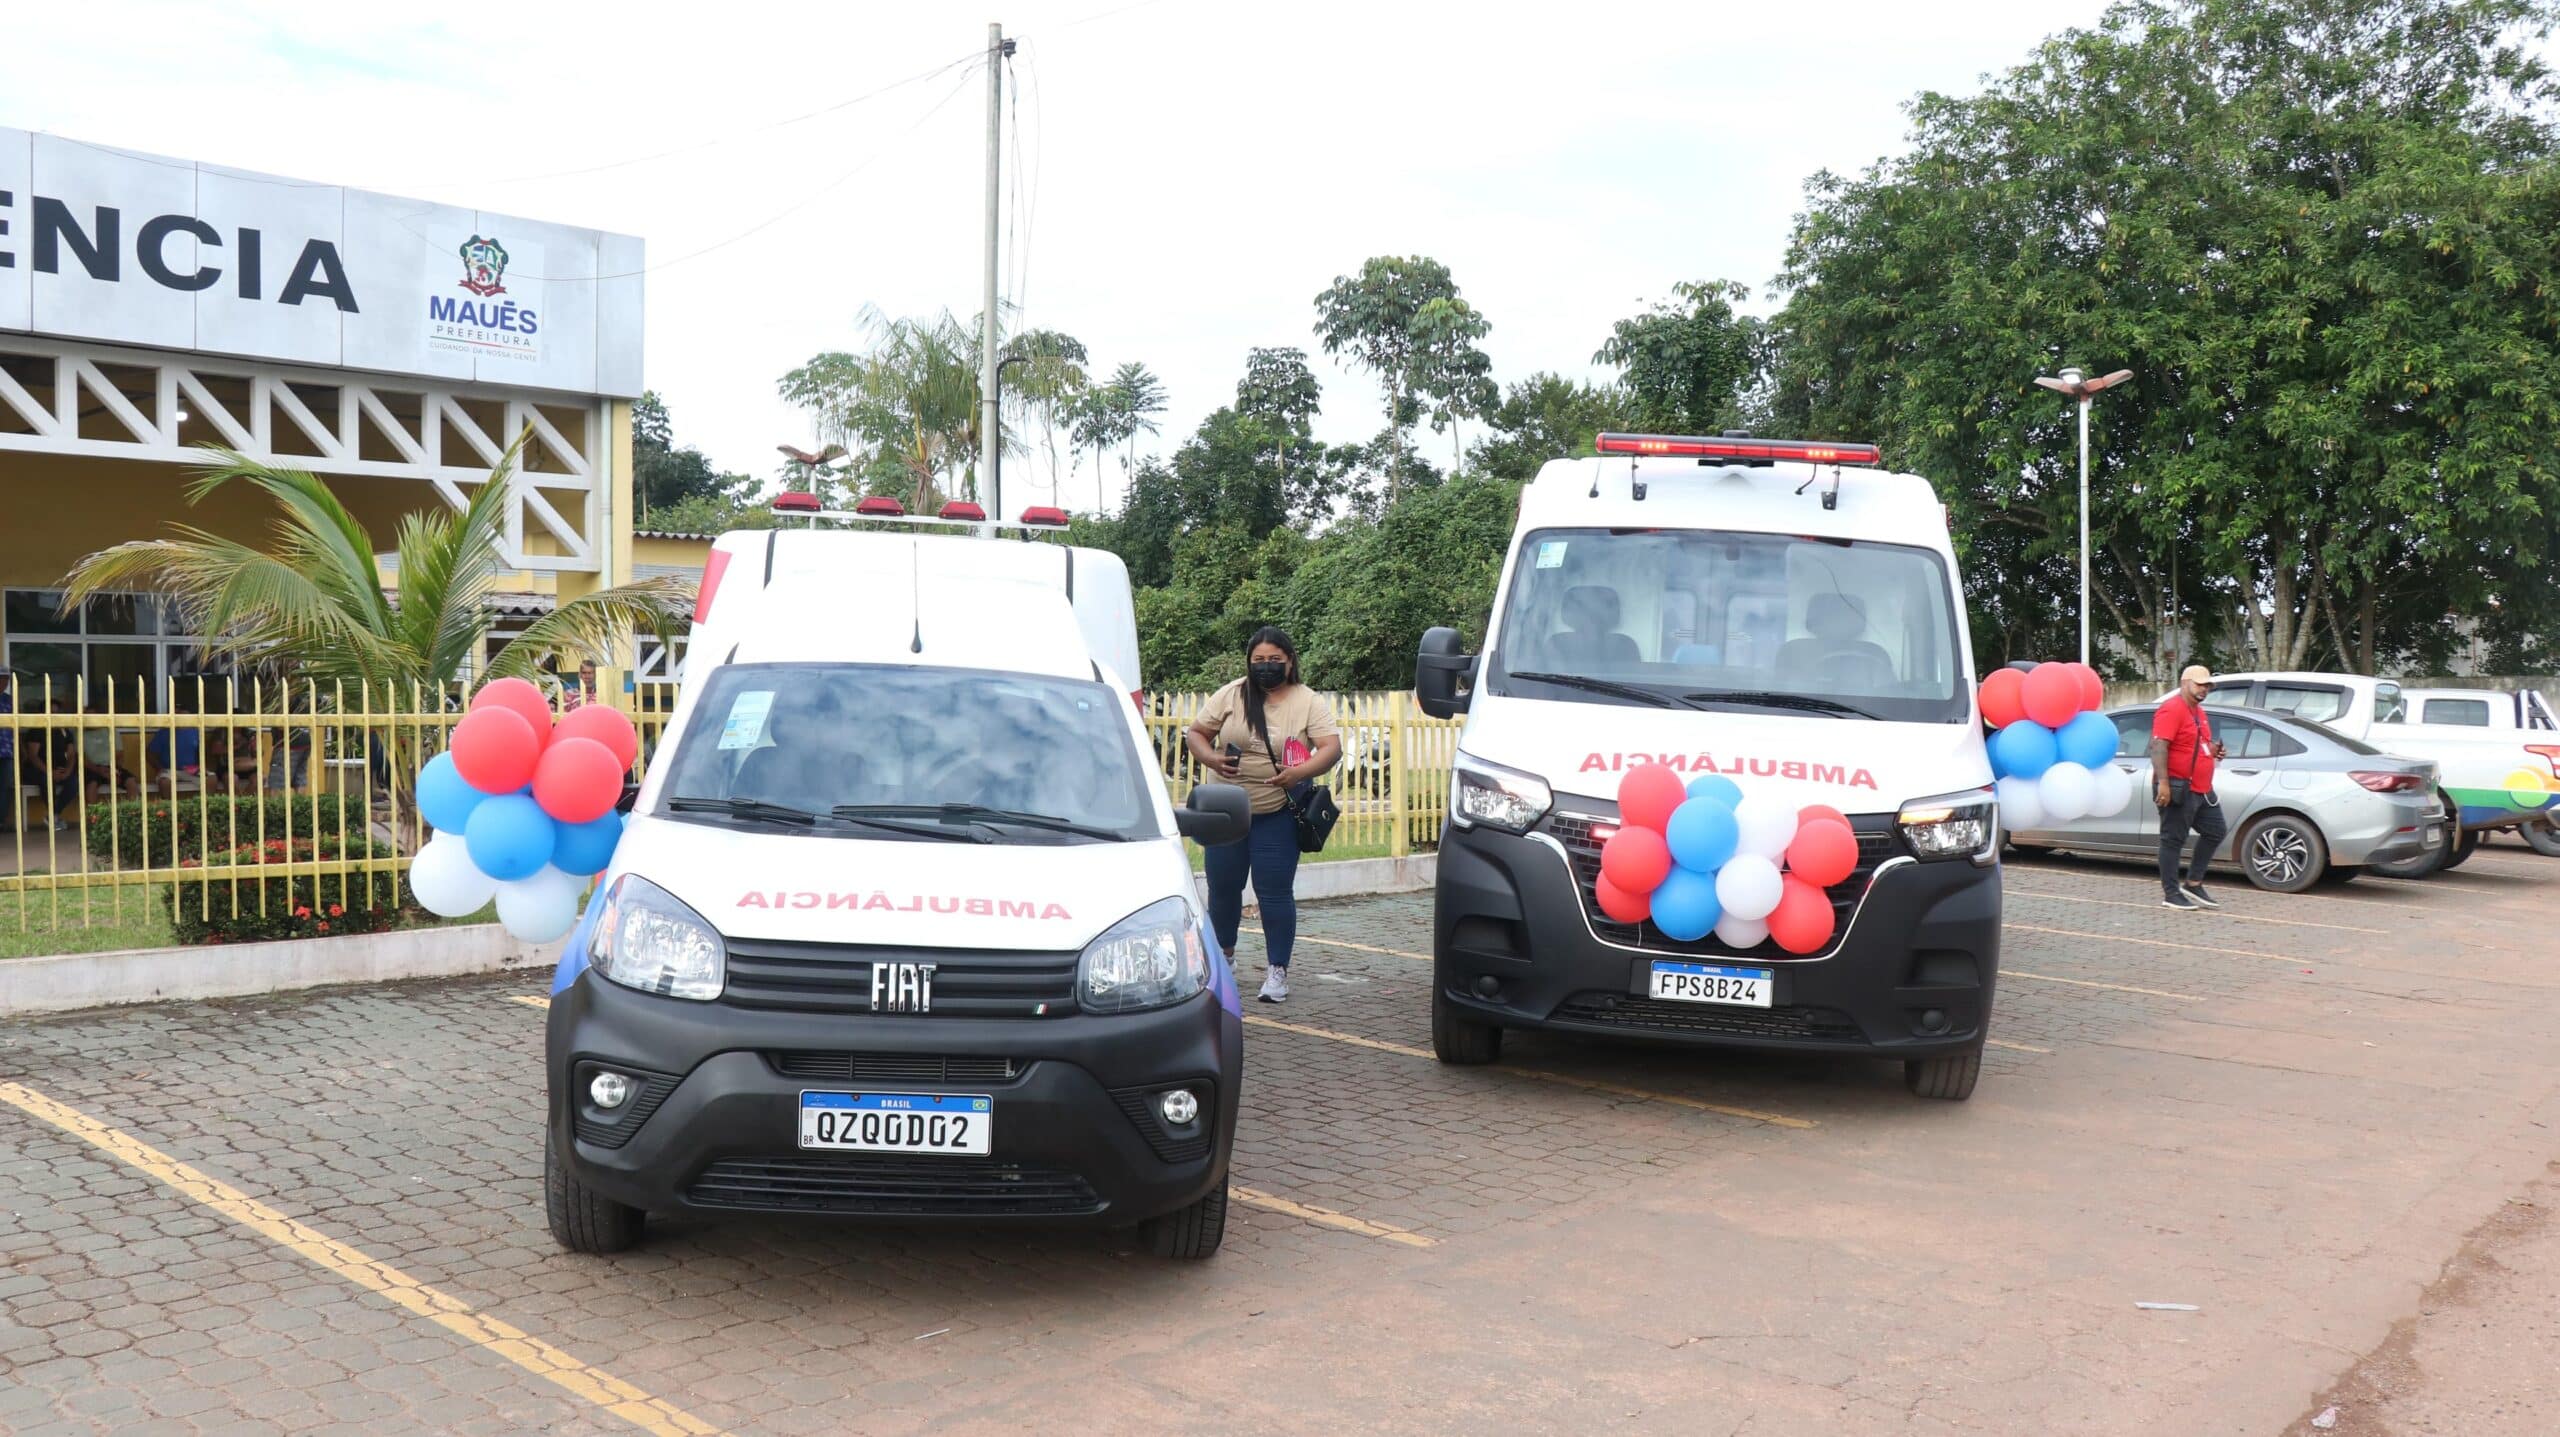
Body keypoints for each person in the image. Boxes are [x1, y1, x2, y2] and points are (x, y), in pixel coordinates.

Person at [1185, 627, 1341, 1003]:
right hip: (1226, 811)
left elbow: (1330, 748)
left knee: (1273, 893)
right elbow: (1196, 734)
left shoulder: (1307, 701)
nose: (1266, 667)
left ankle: (1277, 972)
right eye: (1259, 661)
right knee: (1223, 889)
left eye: (1274, 660)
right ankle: (1224, 958)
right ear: (1248, 662)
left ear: (1289, 661)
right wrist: (1211, 758)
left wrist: (1299, 773)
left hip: (1278, 813)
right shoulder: (1232, 693)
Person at [2152, 663, 2230, 910]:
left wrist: (2213, 751)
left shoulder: (2199, 711)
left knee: (2216, 830)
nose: (2204, 689)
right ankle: (2171, 893)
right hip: (2177, 785)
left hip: (2201, 788)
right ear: (2184, 683)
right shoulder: (2172, 709)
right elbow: (2159, 746)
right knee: (2173, 839)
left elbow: (2196, 744)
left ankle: (2193, 883)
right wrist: (2163, 783)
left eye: (2207, 686)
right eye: (2199, 684)